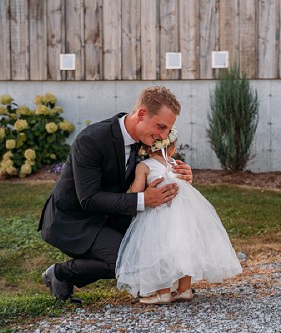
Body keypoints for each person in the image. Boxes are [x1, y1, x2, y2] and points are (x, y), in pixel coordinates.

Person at [38, 86, 193, 301]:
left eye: (168, 130)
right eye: (160, 127)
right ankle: (60, 273)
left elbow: (152, 171)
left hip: (109, 214)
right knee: (126, 260)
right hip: (72, 221)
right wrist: (143, 199)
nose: (164, 136)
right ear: (141, 115)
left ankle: (165, 284)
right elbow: (88, 199)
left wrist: (180, 175)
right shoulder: (91, 140)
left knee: (157, 241)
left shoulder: (144, 141)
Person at [116, 128, 242, 305]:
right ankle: (184, 290)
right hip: (184, 216)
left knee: (159, 252)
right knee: (185, 249)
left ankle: (163, 293)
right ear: (173, 148)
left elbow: (136, 193)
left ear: (145, 148)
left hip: (157, 217)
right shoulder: (178, 165)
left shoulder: (143, 166)